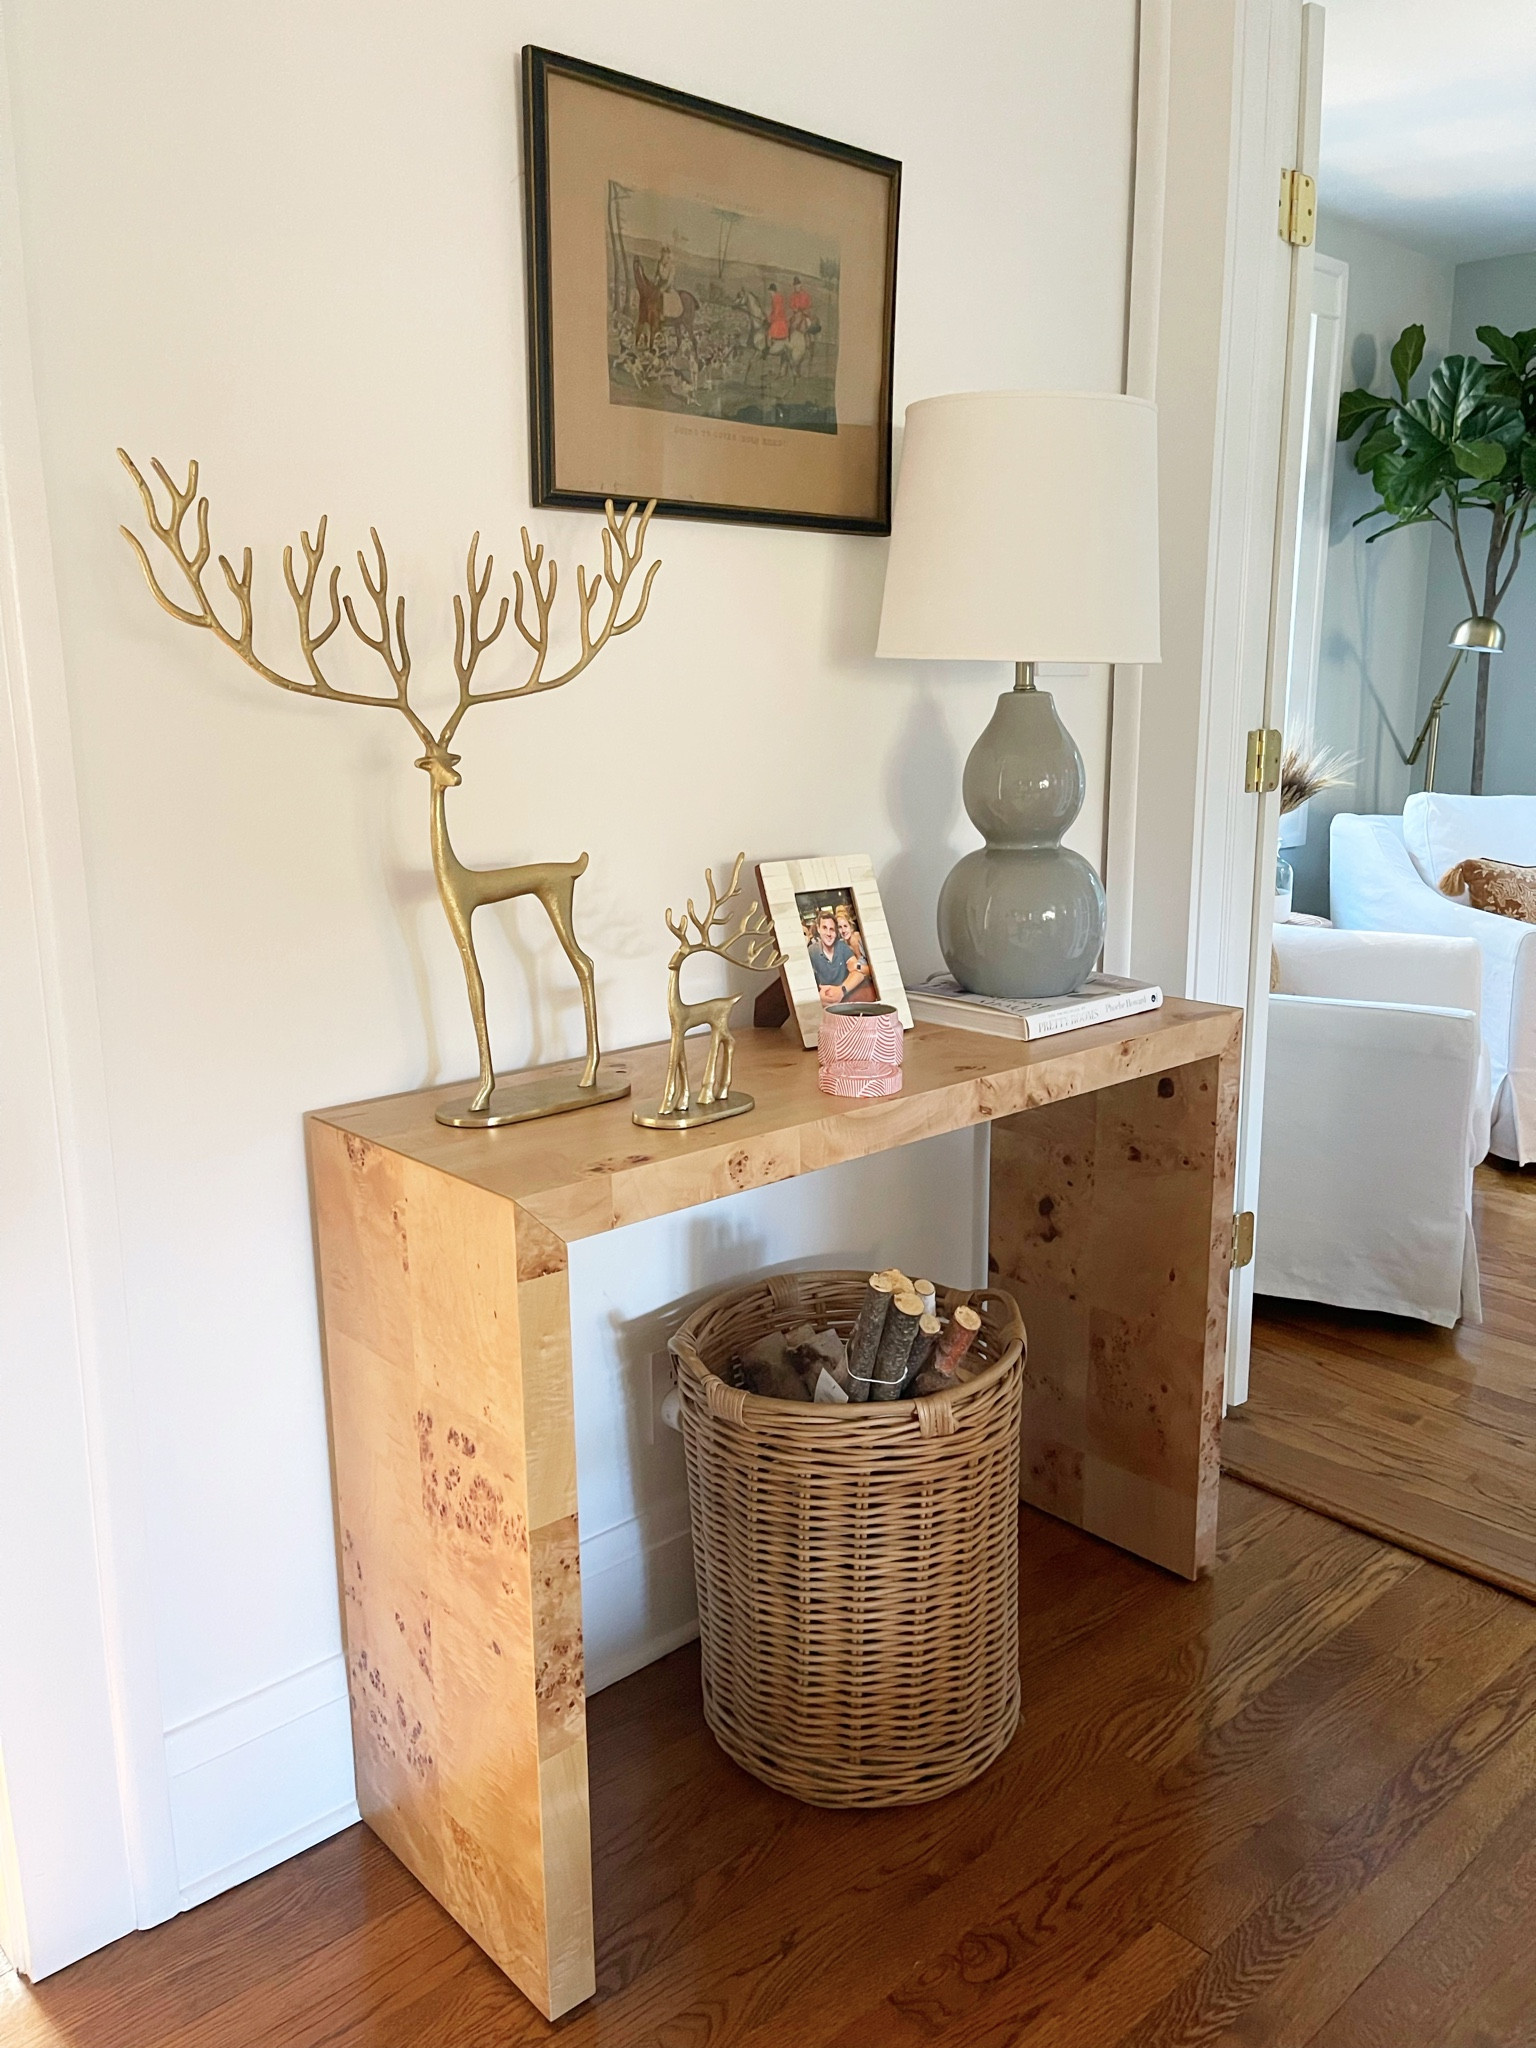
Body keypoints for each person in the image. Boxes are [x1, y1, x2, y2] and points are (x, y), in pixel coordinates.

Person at [807, 907, 859, 1006]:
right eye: (824, 928)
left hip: (846, 1001)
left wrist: (841, 990)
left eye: (832, 929)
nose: (828, 933)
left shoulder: (842, 947)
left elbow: (858, 972)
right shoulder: (812, 951)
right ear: (818, 929)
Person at [835, 906, 874, 997]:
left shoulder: (861, 939)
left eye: (845, 926)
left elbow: (875, 969)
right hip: (860, 988)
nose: (843, 930)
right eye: (840, 927)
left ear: (851, 927)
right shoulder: (843, 946)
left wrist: (857, 966)